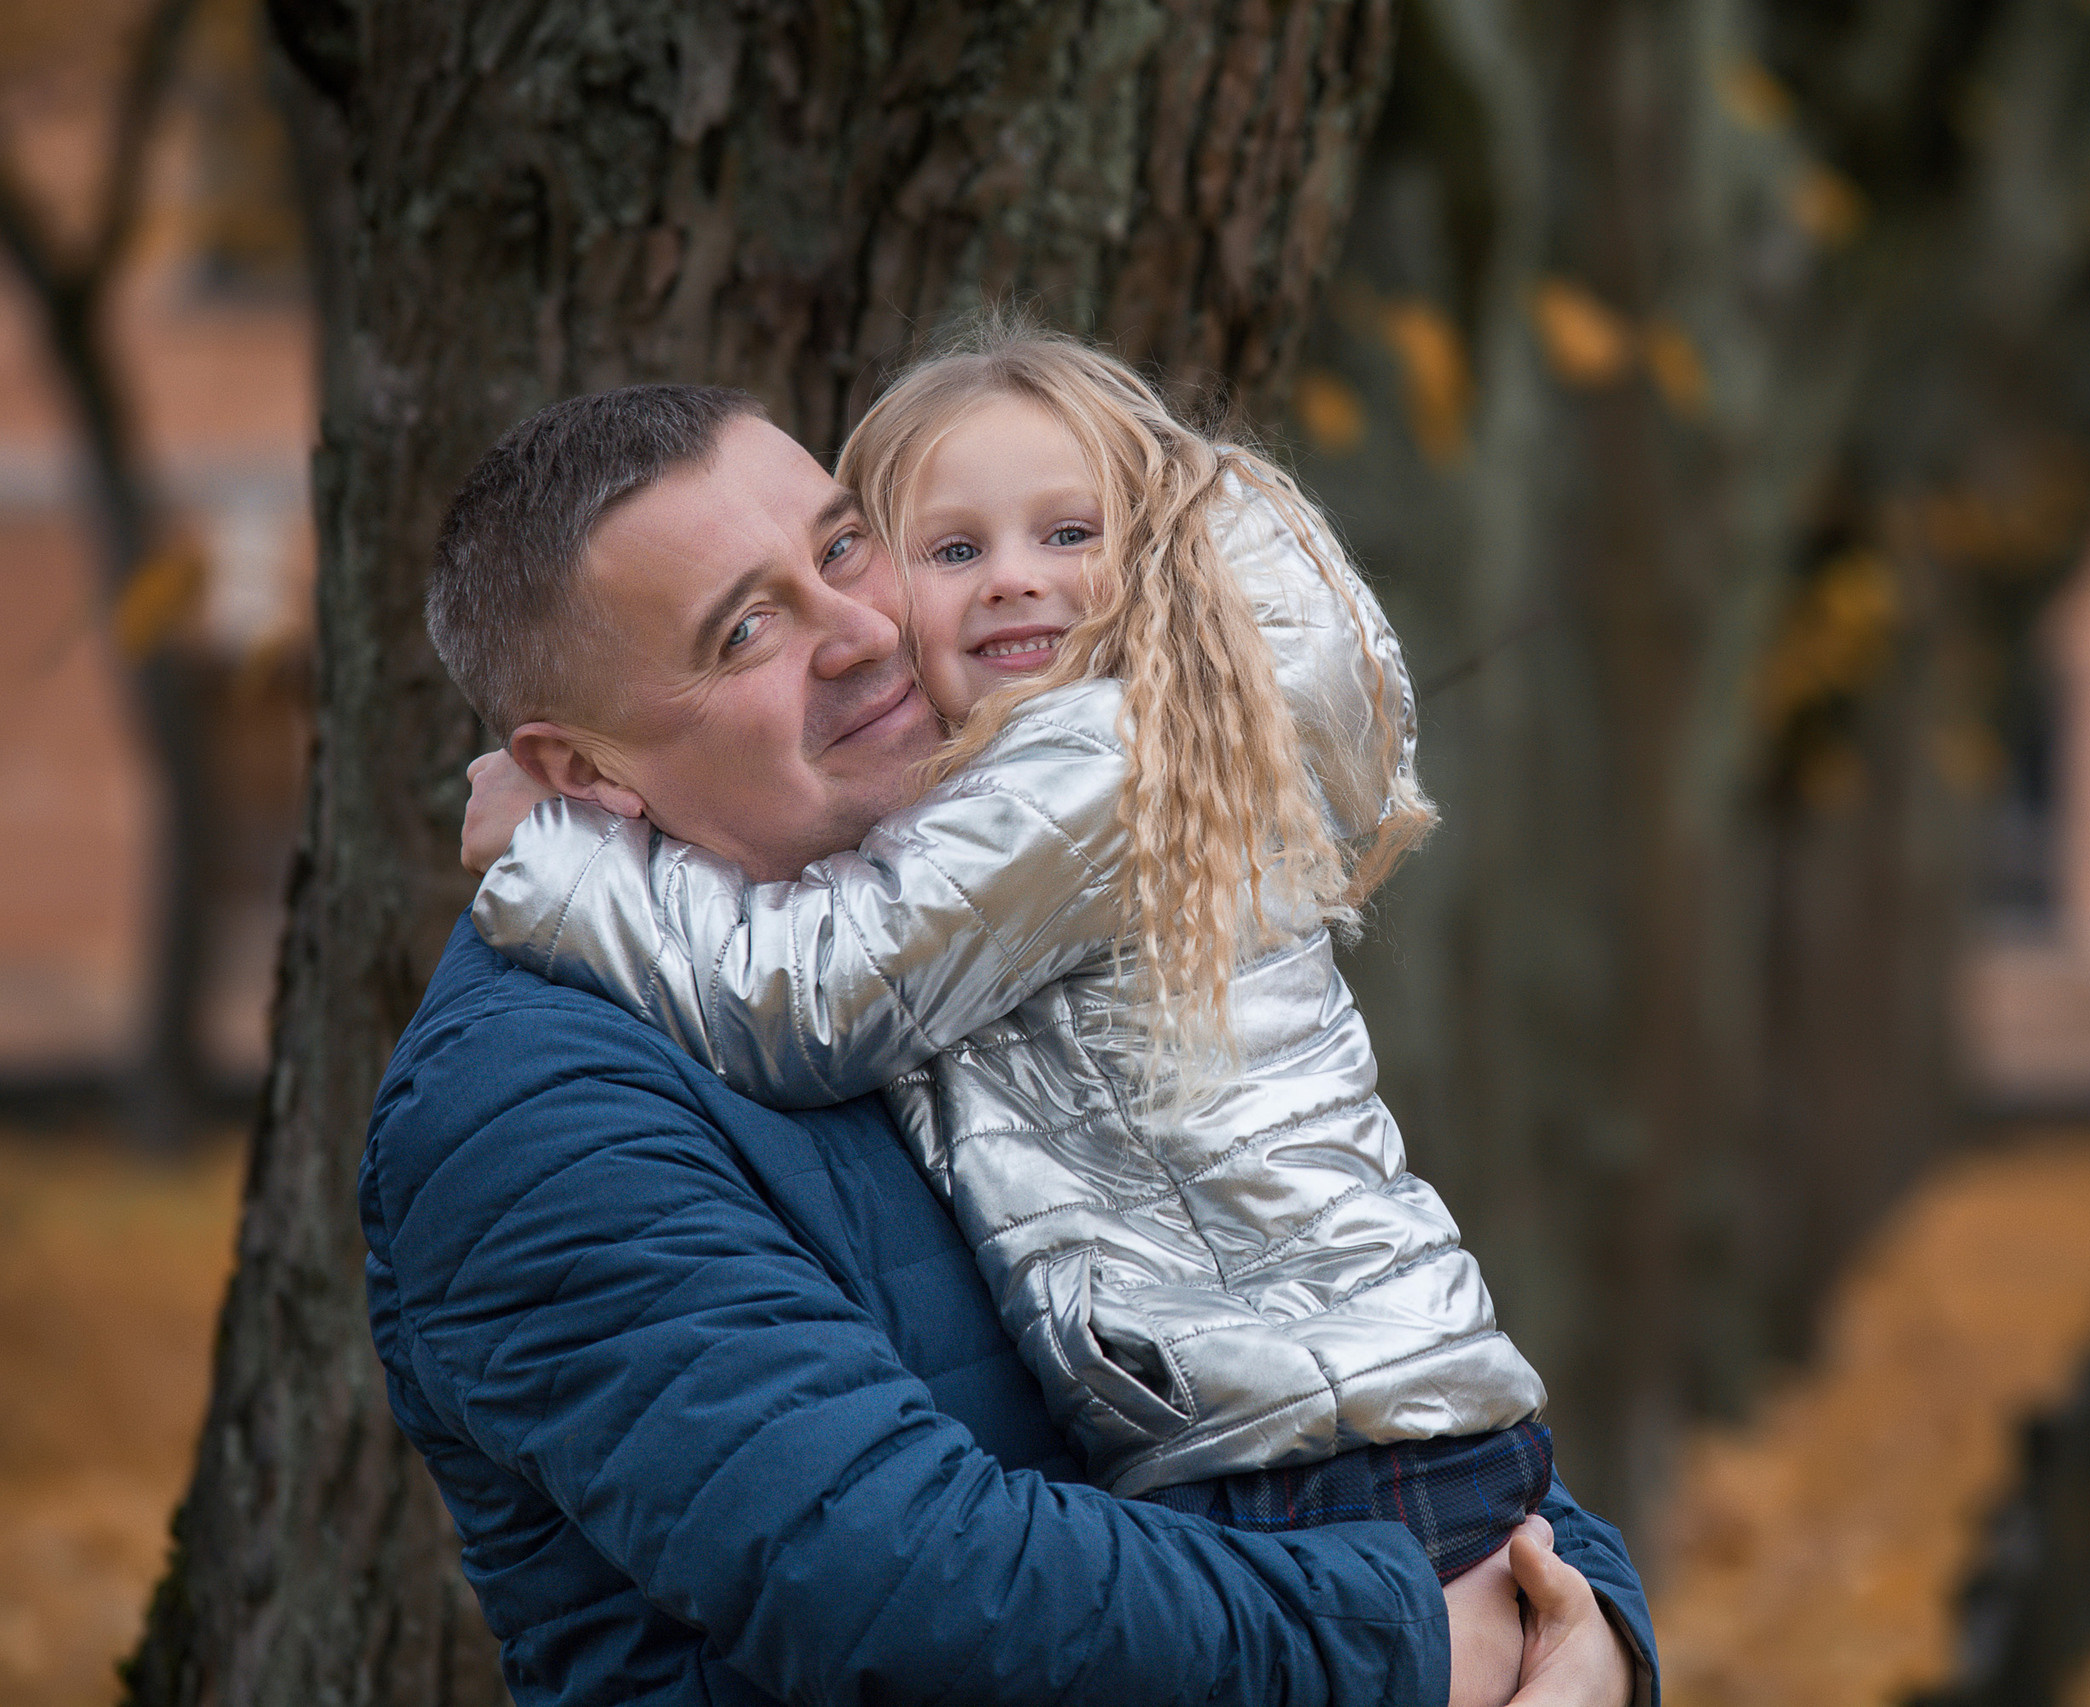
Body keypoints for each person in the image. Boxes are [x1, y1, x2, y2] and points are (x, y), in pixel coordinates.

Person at [366, 378, 1657, 1707]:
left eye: (844, 546)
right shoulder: (526, 1112)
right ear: (582, 776)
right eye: (746, 629)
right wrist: (1430, 1649)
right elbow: (923, 1597)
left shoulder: (998, 921)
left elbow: (1370, 1364)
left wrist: (1592, 1638)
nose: (864, 631)